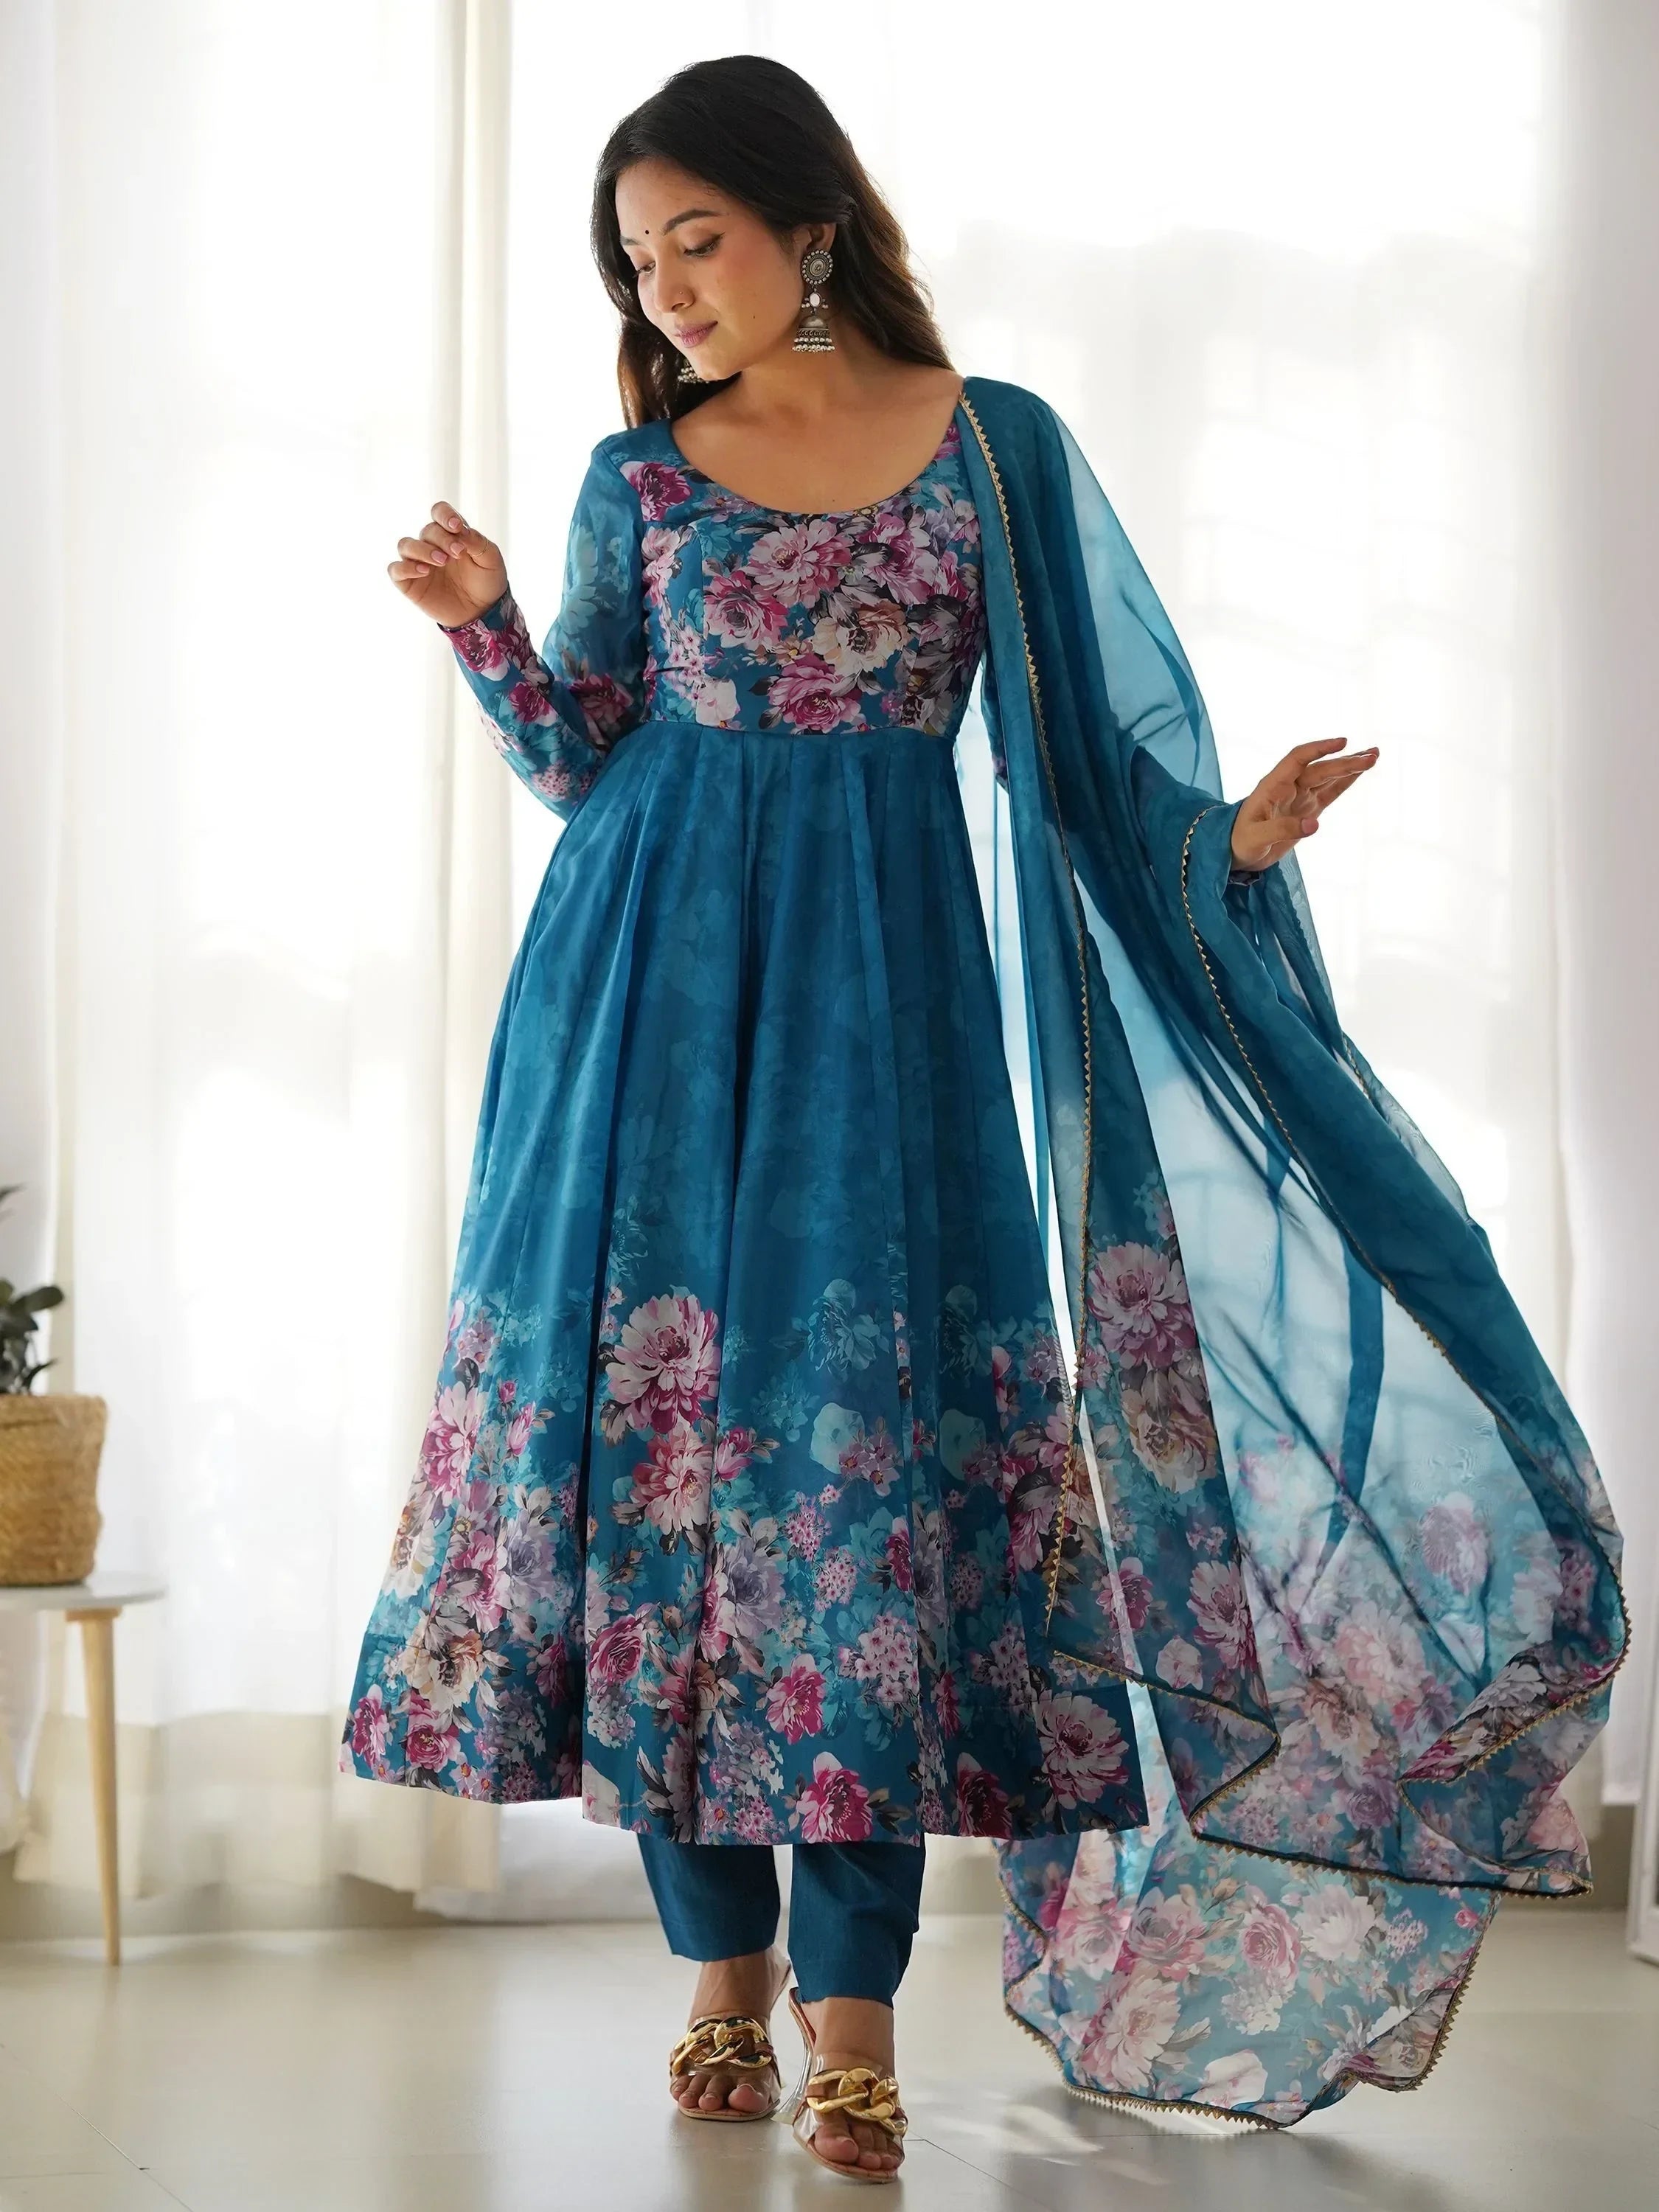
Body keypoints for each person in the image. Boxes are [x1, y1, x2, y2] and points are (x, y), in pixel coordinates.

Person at [341, 53, 1624, 2169]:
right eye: (637, 259)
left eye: (698, 240)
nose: (666, 289)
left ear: (807, 227)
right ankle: (720, 1980)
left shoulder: (991, 454)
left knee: (863, 1510)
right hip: (634, 1012)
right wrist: (482, 628)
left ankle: (853, 2014)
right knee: (670, 1489)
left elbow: (1082, 770)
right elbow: (588, 752)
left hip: (885, 1031)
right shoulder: (636, 477)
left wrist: (1227, 838)